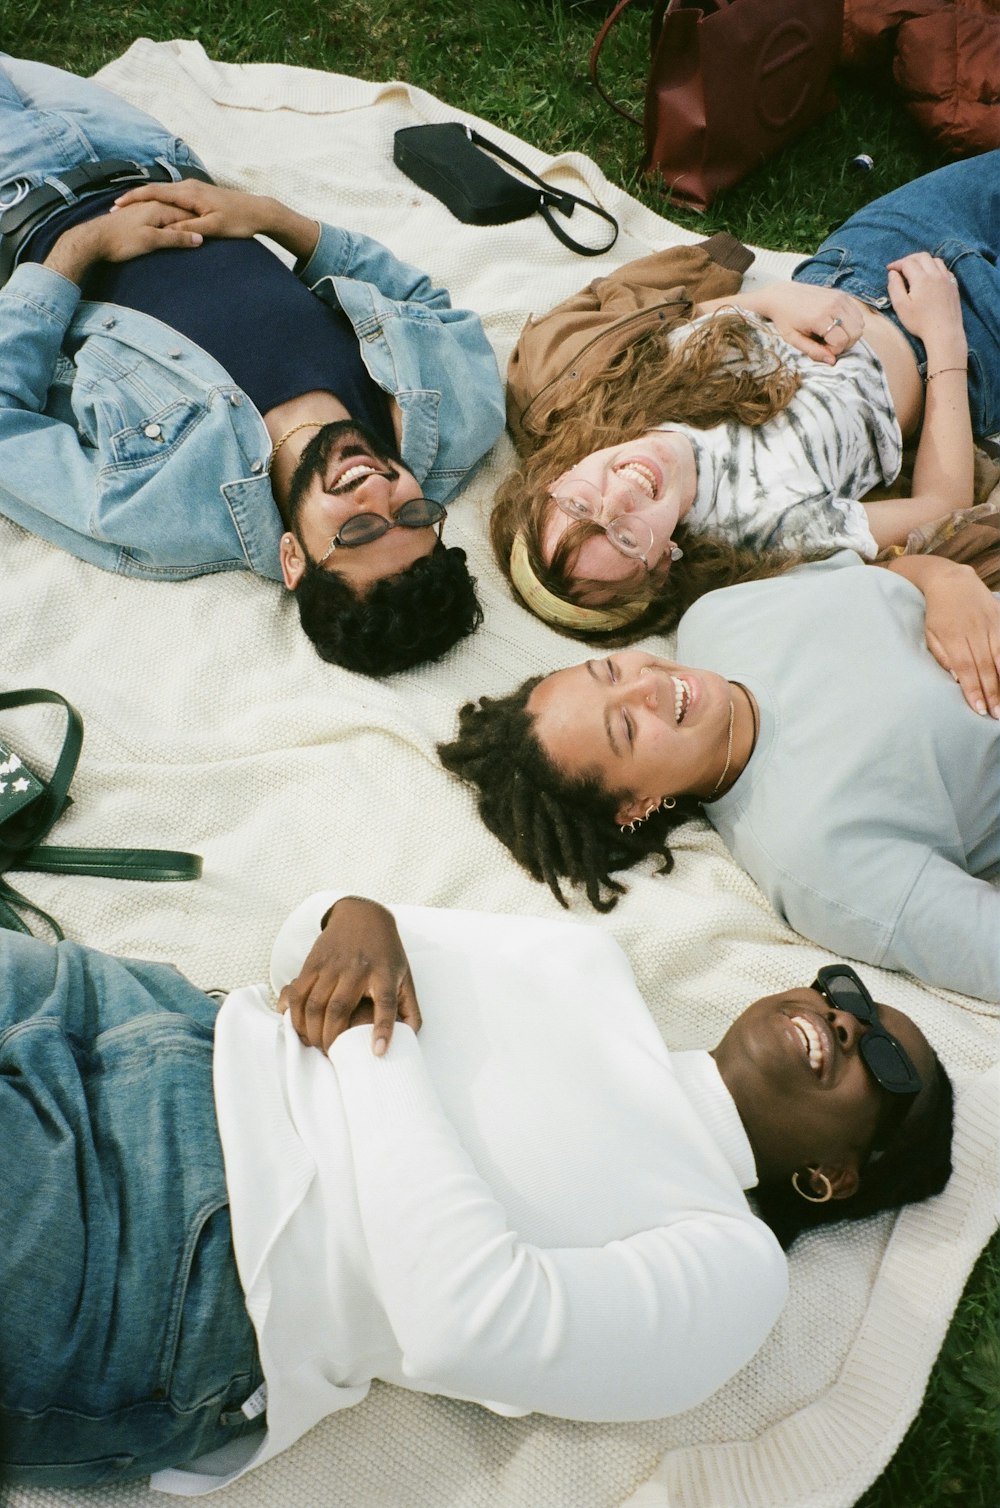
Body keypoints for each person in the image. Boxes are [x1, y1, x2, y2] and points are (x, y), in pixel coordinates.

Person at [0, 890, 952, 1492]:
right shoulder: (589, 965)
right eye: (848, 993)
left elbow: (465, 1320)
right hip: (149, 1019)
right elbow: (312, 946)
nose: (845, 1018)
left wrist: (372, 1036)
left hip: (188, 1252)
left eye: (886, 1062)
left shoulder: (734, 1269)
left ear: (832, 1180)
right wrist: (359, 911)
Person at [0, 56, 505, 675]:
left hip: (19, 205)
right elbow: (423, 303)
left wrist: (78, 252)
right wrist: (274, 220)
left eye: (360, 532)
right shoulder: (450, 420)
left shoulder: (160, 513)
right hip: (147, 150)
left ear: (294, 559)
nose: (378, 490)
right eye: (412, 514)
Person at [439, 550, 1000, 1001]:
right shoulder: (817, 859)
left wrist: (949, 580)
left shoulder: (715, 618)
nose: (646, 685)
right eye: (626, 729)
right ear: (636, 805)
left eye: (609, 670)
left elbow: (884, 572)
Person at [493, 151, 1000, 642]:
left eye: (581, 505)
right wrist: (945, 341)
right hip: (974, 337)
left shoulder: (602, 404)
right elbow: (942, 505)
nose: (621, 496)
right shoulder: (768, 531)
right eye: (626, 538)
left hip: (873, 255)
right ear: (664, 562)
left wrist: (770, 298)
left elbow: (689, 315)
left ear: (556, 481)